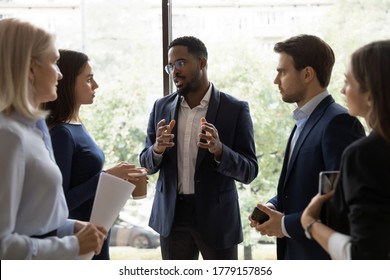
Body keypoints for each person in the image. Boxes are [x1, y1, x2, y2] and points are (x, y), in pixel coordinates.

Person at [140, 36, 258, 260]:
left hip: (218, 219)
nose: (174, 71)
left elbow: (250, 171)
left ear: (202, 63)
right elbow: (146, 162)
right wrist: (157, 149)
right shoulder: (161, 107)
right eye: (170, 65)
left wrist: (220, 150)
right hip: (172, 218)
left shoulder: (235, 109)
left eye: (180, 63)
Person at [249, 34, 365, 259]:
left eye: (282, 71)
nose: (276, 80)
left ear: (307, 74)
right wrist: (273, 206)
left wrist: (284, 225)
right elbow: (303, 188)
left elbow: (339, 202)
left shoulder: (339, 122)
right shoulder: (302, 121)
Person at [0, 18, 106, 259]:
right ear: (29, 69)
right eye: (55, 62)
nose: (59, 75)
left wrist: (69, 227)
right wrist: (72, 245)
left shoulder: (35, 128)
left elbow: (32, 219)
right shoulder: (8, 136)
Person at [43, 49, 142, 260]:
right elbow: (60, 203)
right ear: (68, 82)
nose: (95, 85)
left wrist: (115, 181)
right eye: (89, 79)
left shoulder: (76, 126)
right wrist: (107, 177)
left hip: (95, 232)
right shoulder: (61, 133)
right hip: (79, 239)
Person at [301, 40, 390, 259]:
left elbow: (365, 257)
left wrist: (310, 223)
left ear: (370, 94)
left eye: (347, 81)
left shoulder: (364, 155)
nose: (341, 90)